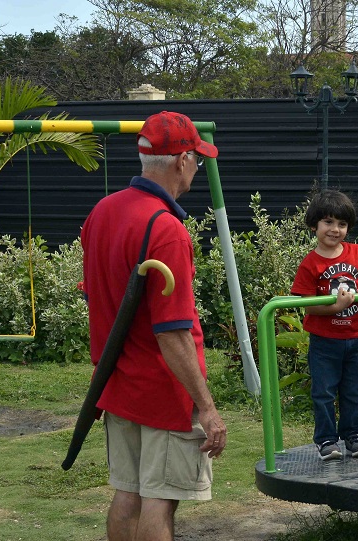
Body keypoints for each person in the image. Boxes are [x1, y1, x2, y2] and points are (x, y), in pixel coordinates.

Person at [81, 111, 227, 541]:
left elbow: (94, 298)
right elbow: (173, 332)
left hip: (117, 383)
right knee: (159, 500)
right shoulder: (167, 230)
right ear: (181, 161)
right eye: (197, 158)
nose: (197, 167)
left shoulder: (102, 212)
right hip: (164, 390)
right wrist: (206, 407)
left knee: (127, 494)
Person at [291, 189, 358, 461]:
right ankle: (326, 440)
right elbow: (309, 305)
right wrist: (336, 307)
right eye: (328, 222)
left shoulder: (357, 252)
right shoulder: (310, 263)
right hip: (325, 341)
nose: (335, 229)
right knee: (323, 392)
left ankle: (355, 436)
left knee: (356, 391)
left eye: (342, 224)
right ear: (314, 225)